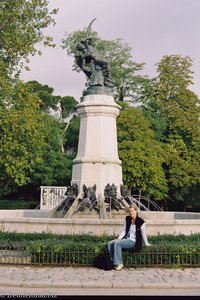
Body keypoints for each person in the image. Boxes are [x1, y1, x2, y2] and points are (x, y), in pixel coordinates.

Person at [108, 203, 151, 271]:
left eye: (133, 211)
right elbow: (124, 231)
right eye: (130, 211)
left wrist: (146, 243)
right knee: (110, 243)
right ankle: (112, 261)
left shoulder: (141, 222)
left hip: (134, 241)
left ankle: (119, 263)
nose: (131, 213)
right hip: (126, 239)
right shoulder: (127, 219)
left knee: (117, 243)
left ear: (136, 211)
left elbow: (144, 234)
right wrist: (119, 238)